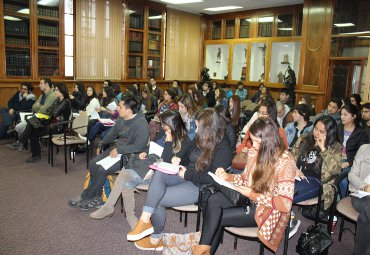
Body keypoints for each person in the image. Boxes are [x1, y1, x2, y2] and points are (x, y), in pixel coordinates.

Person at [127, 108, 233, 251]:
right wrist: (179, 160)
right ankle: (145, 221)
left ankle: (155, 238)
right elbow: (188, 157)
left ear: (210, 128)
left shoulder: (223, 148)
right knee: (159, 174)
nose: (195, 131)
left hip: (199, 185)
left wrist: (187, 175)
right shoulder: (201, 137)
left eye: (198, 127)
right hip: (185, 174)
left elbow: (212, 178)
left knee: (156, 198)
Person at [192, 118, 297, 255]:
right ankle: (203, 250)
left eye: (258, 142)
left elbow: (285, 204)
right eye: (252, 141)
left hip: (267, 209)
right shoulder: (254, 152)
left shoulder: (285, 162)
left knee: (216, 215)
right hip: (249, 197)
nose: (254, 145)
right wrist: (227, 177)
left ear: (270, 141)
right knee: (213, 200)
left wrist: (252, 195)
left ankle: (202, 251)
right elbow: (244, 178)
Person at [89, 110, 191, 229]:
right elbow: (152, 145)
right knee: (126, 177)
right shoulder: (164, 131)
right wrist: (144, 152)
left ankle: (116, 210)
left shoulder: (185, 141)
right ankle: (125, 214)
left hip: (163, 172)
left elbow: (167, 162)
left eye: (164, 124)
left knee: (126, 178)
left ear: (173, 124)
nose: (162, 127)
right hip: (150, 162)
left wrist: (168, 142)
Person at [68, 96, 150, 210]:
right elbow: (112, 133)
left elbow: (139, 146)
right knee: (93, 163)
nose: (117, 109)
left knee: (102, 169)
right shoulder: (122, 118)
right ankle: (97, 197)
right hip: (118, 149)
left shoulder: (141, 124)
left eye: (120, 107)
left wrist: (119, 150)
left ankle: (86, 195)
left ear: (129, 110)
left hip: (132, 155)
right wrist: (102, 143)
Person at [291, 115, 341, 212]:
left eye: (321, 132)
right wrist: (295, 169)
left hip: (316, 181)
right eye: (316, 128)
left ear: (329, 133)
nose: (316, 133)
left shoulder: (335, 147)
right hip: (296, 175)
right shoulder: (304, 138)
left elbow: (335, 170)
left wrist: (323, 149)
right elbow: (291, 156)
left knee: (287, 193)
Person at [19, 83, 72, 163]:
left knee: (33, 132)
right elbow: (49, 111)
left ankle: (25, 144)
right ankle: (25, 143)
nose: (55, 92)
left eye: (56, 90)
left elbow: (54, 113)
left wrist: (51, 113)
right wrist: (51, 113)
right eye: (55, 90)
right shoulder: (57, 100)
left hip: (58, 127)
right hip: (51, 123)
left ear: (62, 91)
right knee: (31, 122)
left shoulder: (65, 102)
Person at [7, 78, 57, 151]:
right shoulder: (42, 94)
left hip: (46, 119)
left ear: (46, 85)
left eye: (41, 83)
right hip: (37, 116)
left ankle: (21, 143)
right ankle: (21, 142)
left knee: (29, 127)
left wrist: (40, 106)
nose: (39, 85)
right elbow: (34, 107)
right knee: (20, 126)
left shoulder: (52, 95)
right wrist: (41, 106)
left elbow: (44, 109)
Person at [338, 104, 368, 197]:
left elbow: (361, 154)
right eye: (341, 114)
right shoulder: (338, 128)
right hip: (336, 159)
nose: (342, 117)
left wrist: (348, 163)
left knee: (343, 181)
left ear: (354, 116)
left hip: (351, 162)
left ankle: (343, 201)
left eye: (345, 114)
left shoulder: (361, 132)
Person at [348, 144, 370, 255]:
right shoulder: (364, 149)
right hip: (360, 194)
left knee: (366, 217)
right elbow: (351, 175)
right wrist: (364, 186)